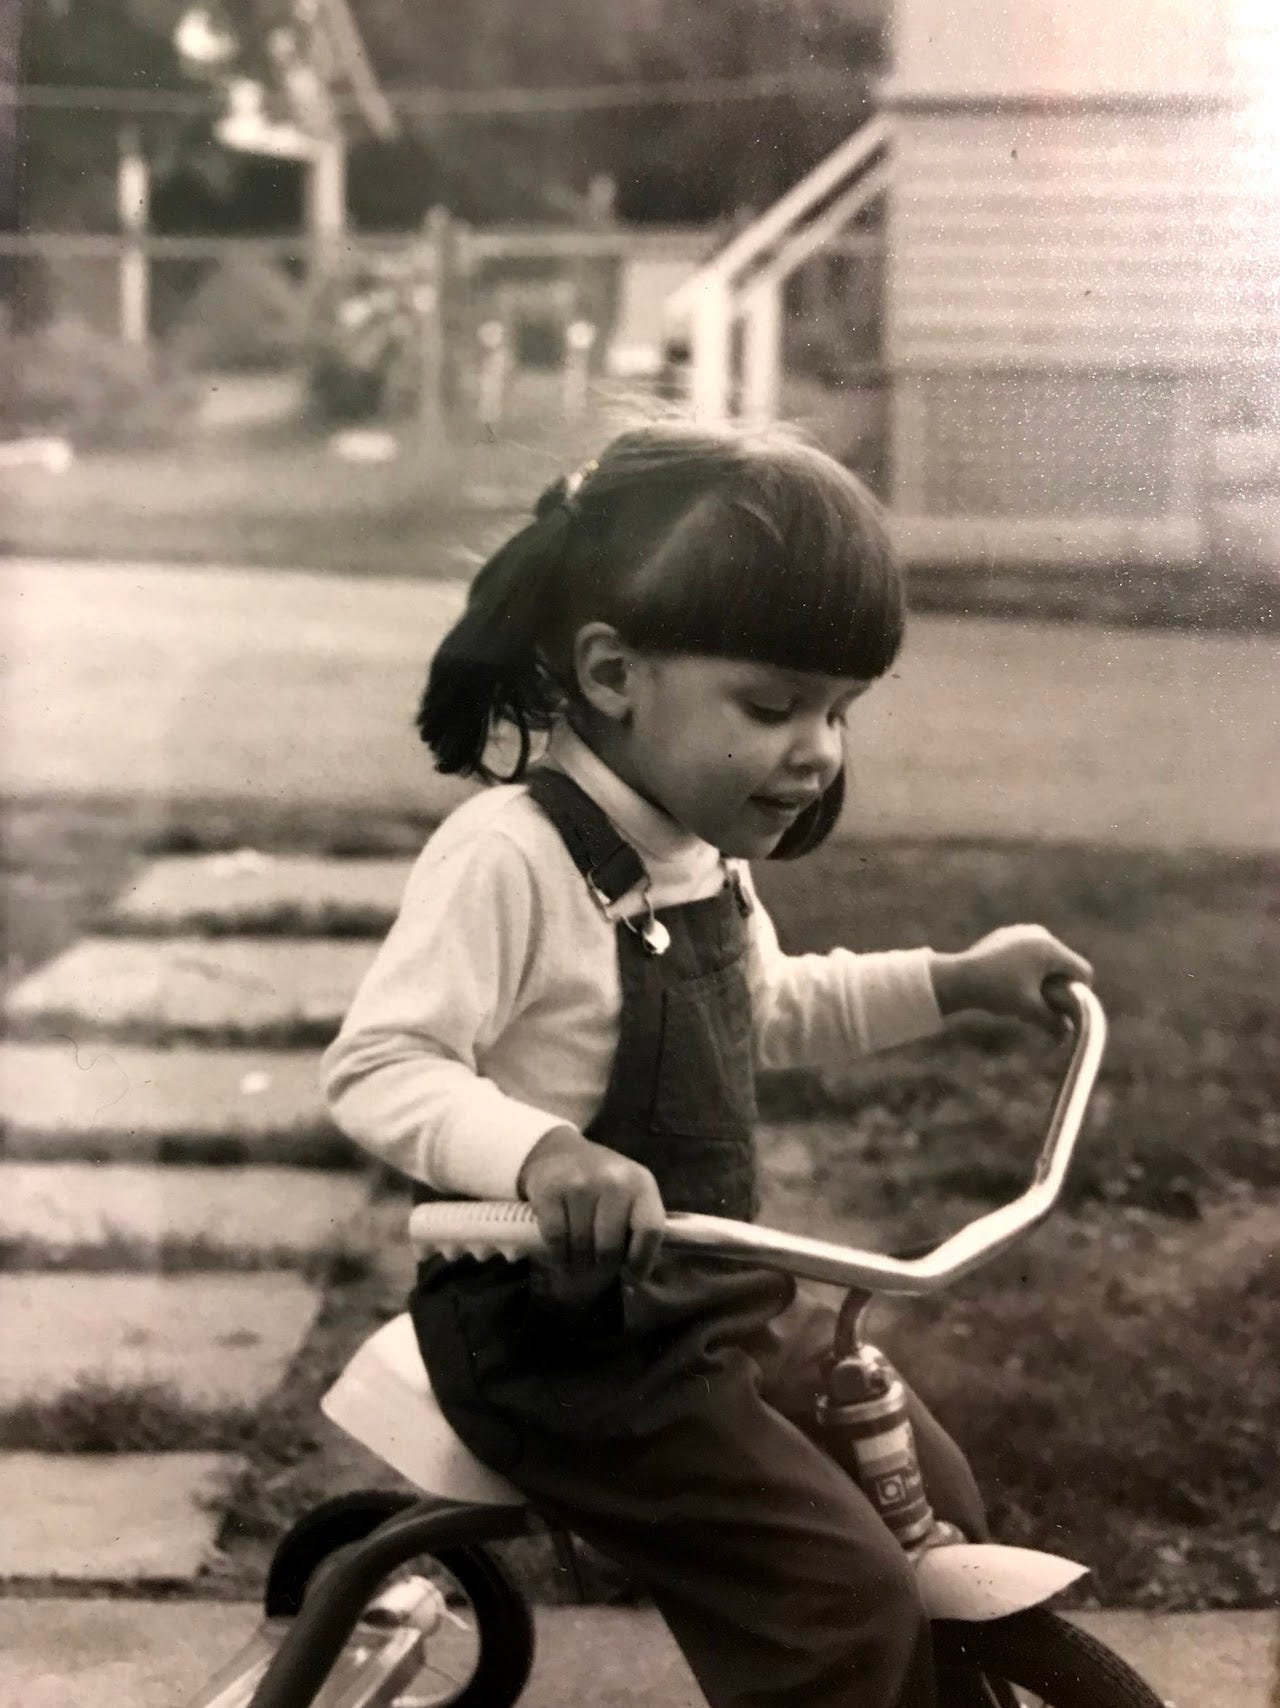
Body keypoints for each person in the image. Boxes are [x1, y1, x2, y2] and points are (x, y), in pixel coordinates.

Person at [321, 421, 1094, 1708]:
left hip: (708, 1306)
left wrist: (951, 982)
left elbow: (769, 1006)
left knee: (927, 1501)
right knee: (833, 1600)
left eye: (838, 713)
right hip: (557, 1340)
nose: (817, 752)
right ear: (615, 674)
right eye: (772, 705)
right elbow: (380, 1063)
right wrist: (541, 1150)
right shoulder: (509, 856)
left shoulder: (694, 853)